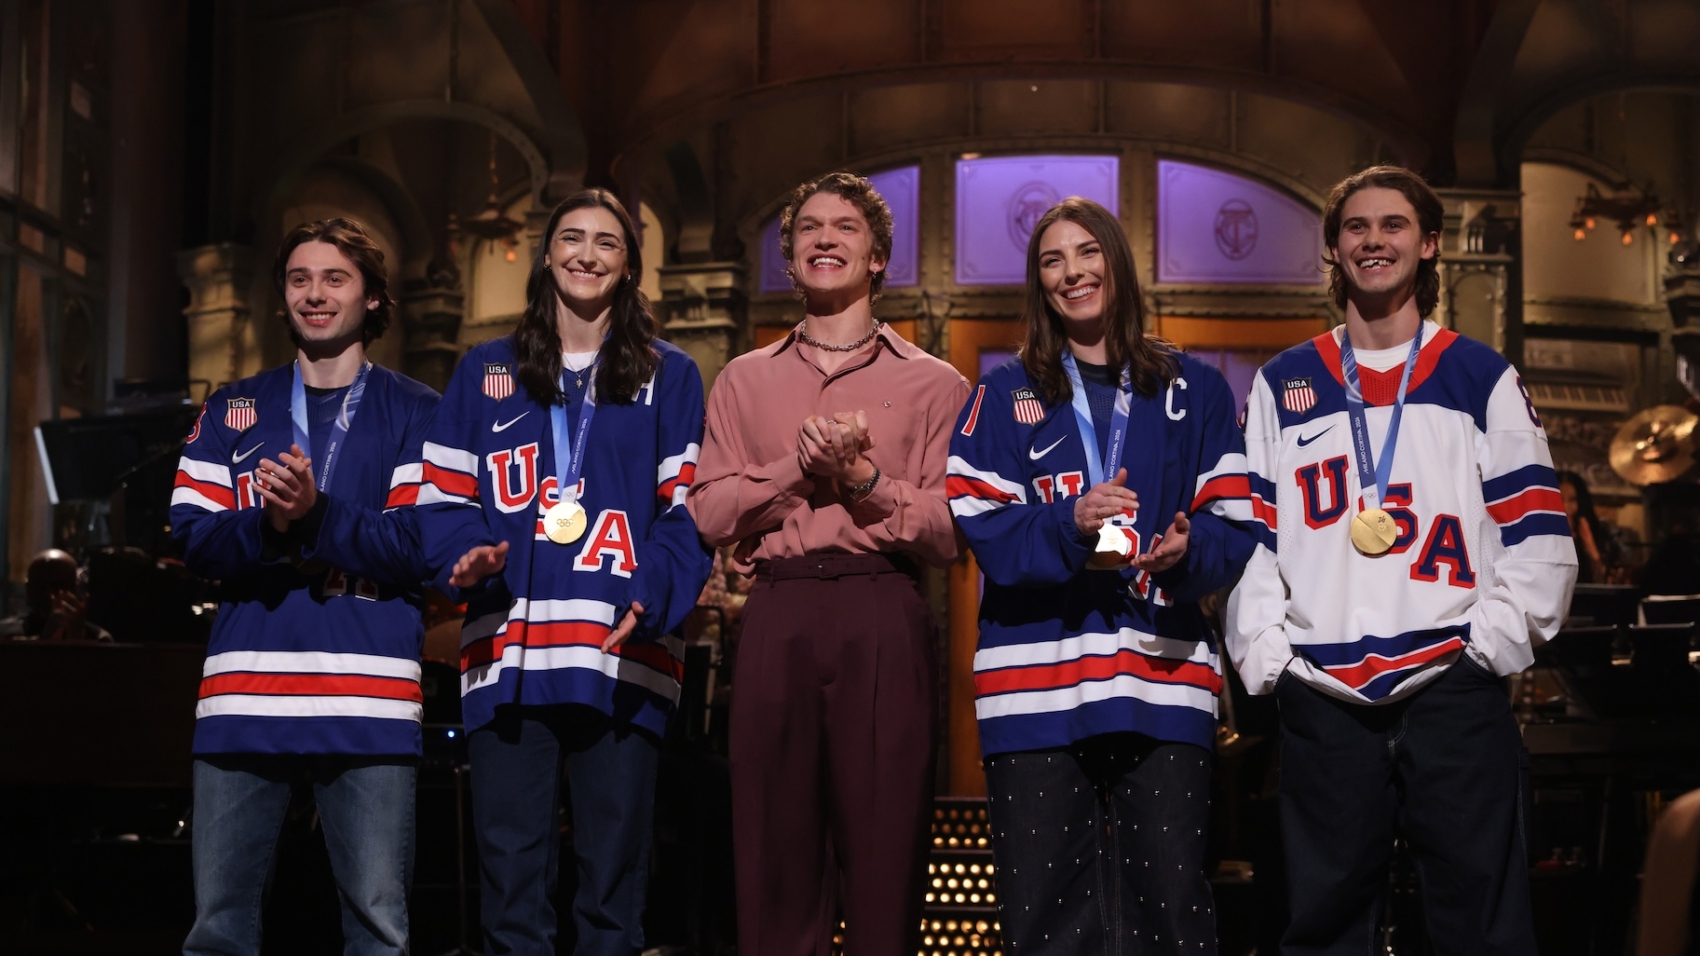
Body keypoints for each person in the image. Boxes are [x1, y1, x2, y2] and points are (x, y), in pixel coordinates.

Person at [1226, 166, 1577, 956]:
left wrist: (1484, 650)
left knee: (1481, 926)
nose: (1374, 241)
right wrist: (1272, 661)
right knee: (1320, 928)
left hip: (1453, 688)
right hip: (1324, 694)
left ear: (1429, 244)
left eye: (1392, 226)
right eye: (1356, 227)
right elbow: (1253, 542)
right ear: (1335, 249)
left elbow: (1540, 537)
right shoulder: (1283, 384)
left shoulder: (1479, 376)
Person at [946, 197, 1255, 954]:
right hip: (1034, 686)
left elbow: (1235, 522)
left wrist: (1193, 548)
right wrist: (1069, 523)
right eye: (1052, 260)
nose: (1072, 272)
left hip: (1162, 677)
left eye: (1087, 253)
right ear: (1037, 281)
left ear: (1117, 260)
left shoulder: (1195, 389)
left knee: (1171, 907)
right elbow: (982, 527)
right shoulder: (1002, 394)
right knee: (1045, 914)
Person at [416, 188, 711, 955]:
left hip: (623, 649)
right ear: (545, 255)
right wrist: (468, 553)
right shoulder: (484, 370)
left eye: (607, 243)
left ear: (629, 266)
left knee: (613, 895)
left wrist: (653, 592)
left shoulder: (669, 375)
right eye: (571, 238)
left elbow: (689, 510)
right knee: (512, 893)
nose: (587, 253)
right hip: (508, 651)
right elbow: (441, 499)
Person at [687, 171, 969, 956]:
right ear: (789, 258)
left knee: (884, 855)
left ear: (877, 257)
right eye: (809, 228)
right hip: (776, 614)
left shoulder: (935, 383)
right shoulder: (744, 378)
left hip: (883, 611)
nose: (825, 239)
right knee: (774, 858)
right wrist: (796, 472)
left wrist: (865, 483)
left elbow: (951, 534)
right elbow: (709, 512)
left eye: (845, 228)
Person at [172, 218, 440, 956]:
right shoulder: (233, 407)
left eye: (334, 279)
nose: (314, 294)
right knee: (217, 933)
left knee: (379, 934)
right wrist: (274, 527)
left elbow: (418, 547)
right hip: (244, 695)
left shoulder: (420, 411)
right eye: (299, 279)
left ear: (373, 298)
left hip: (369, 698)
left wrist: (314, 514)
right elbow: (192, 537)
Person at [0, 549, 112, 641]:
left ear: (75, 588)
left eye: (58, 586)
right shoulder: (5, 633)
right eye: (41, 585)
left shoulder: (98, 638)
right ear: (28, 588)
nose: (49, 594)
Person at [1557, 470, 1622, 583]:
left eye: (1572, 500)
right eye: (1559, 499)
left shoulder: (1600, 532)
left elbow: (1608, 583)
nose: (1565, 507)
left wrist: (1590, 548)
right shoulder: (1540, 535)